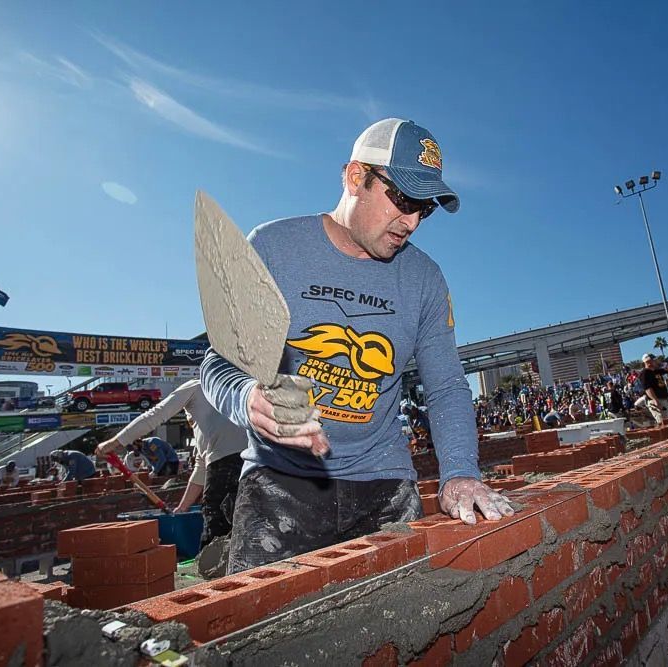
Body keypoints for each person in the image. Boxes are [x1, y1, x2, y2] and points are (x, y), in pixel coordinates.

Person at [202, 118, 513, 573]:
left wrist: (461, 473)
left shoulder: (424, 279)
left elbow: (446, 385)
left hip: (384, 482)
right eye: (402, 198)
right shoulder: (272, 248)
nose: (411, 221)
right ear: (355, 177)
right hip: (280, 482)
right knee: (258, 630)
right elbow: (220, 360)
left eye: (423, 208)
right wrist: (245, 398)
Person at [95, 379, 247, 547]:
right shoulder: (231, 391)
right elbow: (202, 464)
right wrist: (182, 508)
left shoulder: (196, 386)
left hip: (230, 465)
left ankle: (220, 570)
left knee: (217, 534)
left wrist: (114, 443)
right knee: (244, 528)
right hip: (254, 462)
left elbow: (156, 414)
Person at [640, 354, 668, 423]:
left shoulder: (656, 371)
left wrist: (661, 364)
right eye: (654, 360)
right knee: (663, 421)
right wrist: (655, 400)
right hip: (656, 400)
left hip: (664, 398)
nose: (656, 361)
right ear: (648, 362)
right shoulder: (645, 373)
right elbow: (647, 388)